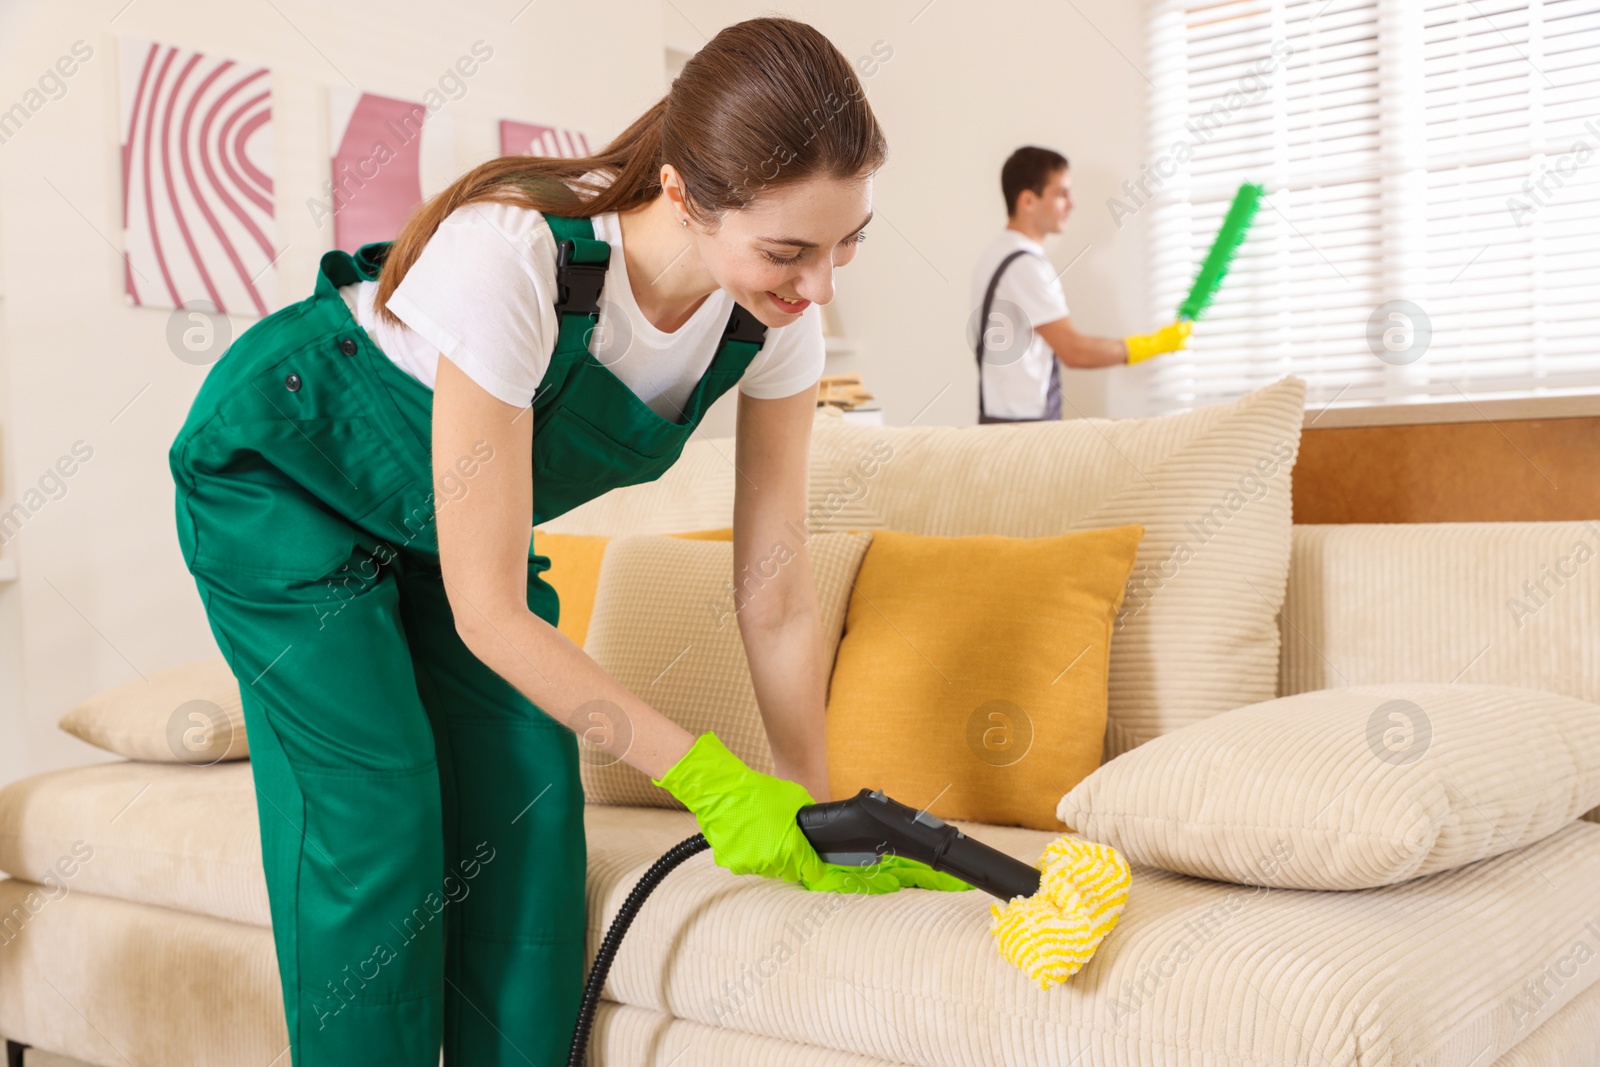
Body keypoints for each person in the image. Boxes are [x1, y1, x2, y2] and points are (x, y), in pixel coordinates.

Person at [167, 17, 969, 1067]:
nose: (820, 283)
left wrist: (810, 811)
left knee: (531, 824)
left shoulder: (775, 322)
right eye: (788, 249)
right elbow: (490, 613)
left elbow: (772, 589)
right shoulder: (518, 257)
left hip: (442, 532)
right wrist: (713, 780)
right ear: (682, 194)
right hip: (284, 476)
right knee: (380, 810)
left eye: (845, 241)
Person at [970, 145, 1192, 422]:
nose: (1072, 204)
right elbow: (1075, 352)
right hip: (1023, 430)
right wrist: (1156, 343)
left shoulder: (995, 255)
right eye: (1062, 193)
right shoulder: (1024, 266)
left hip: (1000, 422)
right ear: (1028, 201)